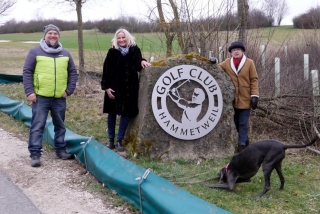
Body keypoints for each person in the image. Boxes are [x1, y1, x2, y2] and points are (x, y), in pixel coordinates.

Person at [23, 24, 78, 167]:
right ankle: (35, 153)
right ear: (45, 35)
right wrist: (30, 91)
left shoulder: (65, 53)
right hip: (40, 97)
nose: (53, 36)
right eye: (50, 33)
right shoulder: (35, 51)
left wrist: (69, 90)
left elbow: (73, 72)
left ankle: (60, 150)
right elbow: (27, 71)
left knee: (60, 125)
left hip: (60, 97)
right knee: (37, 125)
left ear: (59, 36)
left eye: (55, 33)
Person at [101, 28, 151, 152]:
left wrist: (143, 61)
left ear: (127, 38)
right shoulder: (112, 52)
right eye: (119, 38)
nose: (121, 40)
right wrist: (106, 87)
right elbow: (106, 71)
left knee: (126, 113)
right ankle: (111, 140)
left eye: (123, 37)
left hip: (129, 88)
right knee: (112, 113)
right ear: (116, 39)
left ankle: (120, 140)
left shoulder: (135, 50)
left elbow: (137, 63)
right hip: (113, 88)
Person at [210, 41, 259, 153]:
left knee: (243, 122)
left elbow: (254, 79)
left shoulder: (249, 63)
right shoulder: (227, 63)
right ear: (231, 52)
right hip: (232, 100)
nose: (236, 52)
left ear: (242, 51)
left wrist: (255, 95)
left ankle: (241, 146)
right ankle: (245, 140)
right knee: (236, 122)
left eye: (238, 49)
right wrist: (213, 61)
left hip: (246, 98)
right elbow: (217, 67)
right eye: (233, 50)